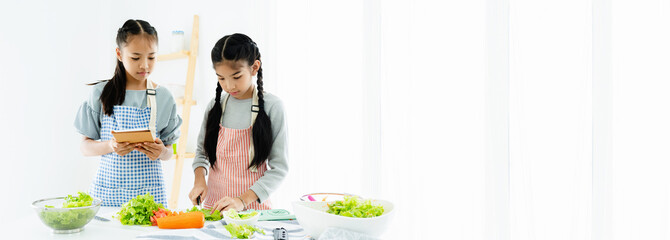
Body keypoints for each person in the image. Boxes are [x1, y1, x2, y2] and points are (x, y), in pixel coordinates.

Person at [74, 19, 182, 206]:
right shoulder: (101, 92)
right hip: (107, 195)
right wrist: (111, 146)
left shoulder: (163, 97)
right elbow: (85, 147)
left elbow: (170, 152)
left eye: (151, 57)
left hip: (149, 198)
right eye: (136, 57)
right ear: (119, 54)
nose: (145, 66)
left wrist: (161, 152)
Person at [189, 33, 288, 211]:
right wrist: (199, 181)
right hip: (214, 209)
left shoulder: (273, 107)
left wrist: (241, 200)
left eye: (236, 77)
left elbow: (279, 168)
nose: (229, 86)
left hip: (254, 212)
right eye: (221, 78)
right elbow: (202, 153)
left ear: (254, 67)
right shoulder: (215, 106)